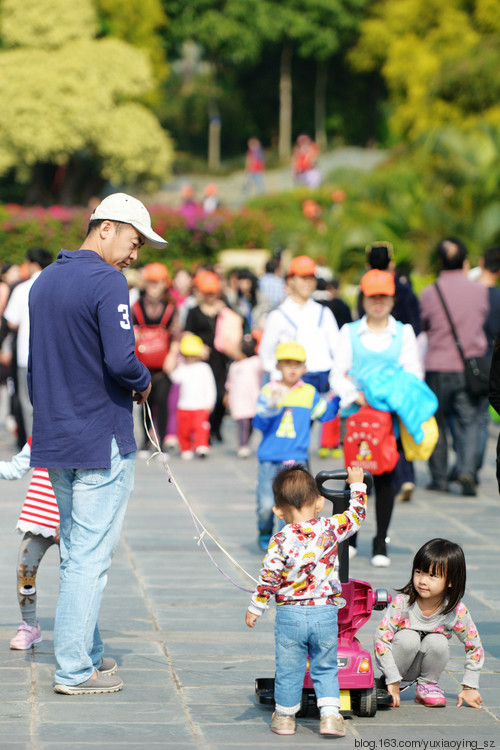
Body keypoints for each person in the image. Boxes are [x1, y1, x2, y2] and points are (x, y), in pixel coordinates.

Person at [27, 192, 167, 695]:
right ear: (105, 228)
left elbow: (35, 363)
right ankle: (73, 670)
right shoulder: (107, 280)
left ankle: (84, 650)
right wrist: (145, 380)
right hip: (98, 436)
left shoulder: (43, 281)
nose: (135, 255)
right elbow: (122, 359)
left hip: (56, 434)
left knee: (74, 549)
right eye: (134, 241)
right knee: (90, 556)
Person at [245, 464, 367, 736]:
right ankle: (330, 717)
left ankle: (286, 718)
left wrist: (256, 607)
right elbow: (356, 516)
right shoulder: (330, 528)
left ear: (278, 510)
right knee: (325, 666)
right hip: (324, 612)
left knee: (289, 667)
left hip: (290, 616)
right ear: (320, 503)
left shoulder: (279, 539)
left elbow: (270, 577)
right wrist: (357, 485)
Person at [331, 269, 423, 567]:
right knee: (354, 476)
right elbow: (338, 373)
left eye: (384, 295)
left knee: (385, 477)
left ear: (393, 298)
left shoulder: (404, 332)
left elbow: (413, 373)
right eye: (373, 296)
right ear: (364, 298)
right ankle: (351, 536)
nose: (378, 302)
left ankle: (380, 540)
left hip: (388, 418)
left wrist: (388, 396)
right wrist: (355, 395)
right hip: (356, 416)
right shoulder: (350, 331)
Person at [374, 538, 483, 709]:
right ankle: (397, 682)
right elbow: (381, 639)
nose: (423, 580)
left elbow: (474, 647)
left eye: (432, 575)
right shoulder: (402, 603)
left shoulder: (456, 611)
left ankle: (428, 685)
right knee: (408, 638)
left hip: (428, 664)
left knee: (438, 641)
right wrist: (392, 677)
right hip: (397, 667)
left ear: (450, 581)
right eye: (419, 572)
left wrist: (469, 686)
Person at [253, 341, 340, 550]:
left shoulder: (309, 392)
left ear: (304, 368)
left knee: (295, 504)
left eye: (297, 364)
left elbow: (325, 414)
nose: (292, 368)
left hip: (296, 458)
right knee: (266, 505)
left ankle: (288, 542)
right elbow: (258, 423)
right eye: (286, 363)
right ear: (278, 366)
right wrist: (270, 407)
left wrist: (339, 397)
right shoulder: (269, 390)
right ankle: (265, 530)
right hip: (270, 458)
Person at [420, 238, 488, 496]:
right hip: (469, 367)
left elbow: (425, 325)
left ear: (439, 260)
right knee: (468, 420)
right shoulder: (479, 290)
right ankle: (467, 470)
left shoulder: (429, 292)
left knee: (436, 422)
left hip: (437, 366)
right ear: (465, 260)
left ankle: (439, 478)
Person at [0, 438, 60, 650]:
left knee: (74, 580)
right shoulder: (39, 437)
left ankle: (74, 629)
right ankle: (29, 625)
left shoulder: (82, 433)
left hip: (71, 523)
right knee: (24, 573)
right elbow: (14, 469)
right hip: (38, 521)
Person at [259, 255, 339, 392]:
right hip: (292, 387)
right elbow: (266, 355)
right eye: (303, 278)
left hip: (324, 384)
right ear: (290, 280)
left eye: (311, 278)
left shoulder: (324, 312)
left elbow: (337, 349)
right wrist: (283, 379)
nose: (308, 282)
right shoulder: (278, 315)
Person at [4, 247, 53, 443]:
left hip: (27, 353)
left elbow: (11, 321)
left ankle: (33, 445)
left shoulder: (23, 288)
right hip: (54, 355)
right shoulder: (57, 285)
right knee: (51, 401)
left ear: (32, 264)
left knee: (28, 402)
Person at [131, 262, 177, 456]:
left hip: (163, 362)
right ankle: (145, 442)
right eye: (150, 282)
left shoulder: (171, 307)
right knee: (144, 403)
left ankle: (163, 443)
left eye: (157, 282)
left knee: (163, 402)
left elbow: (176, 335)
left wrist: (173, 356)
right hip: (143, 362)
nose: (154, 286)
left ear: (165, 283)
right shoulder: (136, 306)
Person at [184, 270, 231, 442]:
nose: (211, 296)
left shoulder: (224, 309)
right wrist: (196, 348)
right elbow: (187, 333)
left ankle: (216, 427)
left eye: (213, 293)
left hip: (220, 358)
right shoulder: (193, 311)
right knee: (203, 396)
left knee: (220, 394)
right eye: (207, 293)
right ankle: (204, 429)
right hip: (201, 359)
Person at [166, 333, 217, 459]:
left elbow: (210, 386)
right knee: (183, 429)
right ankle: (185, 447)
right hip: (183, 405)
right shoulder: (182, 367)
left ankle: (201, 446)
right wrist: (174, 359)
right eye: (188, 355)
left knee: (201, 428)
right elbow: (174, 377)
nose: (190, 358)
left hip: (201, 405)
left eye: (193, 355)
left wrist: (210, 401)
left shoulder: (204, 367)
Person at [224, 333, 262, 458]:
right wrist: (227, 396)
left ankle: (246, 443)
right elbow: (229, 383)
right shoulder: (234, 366)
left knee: (250, 423)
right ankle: (242, 445)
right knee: (242, 423)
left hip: (252, 398)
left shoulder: (255, 362)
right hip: (238, 399)